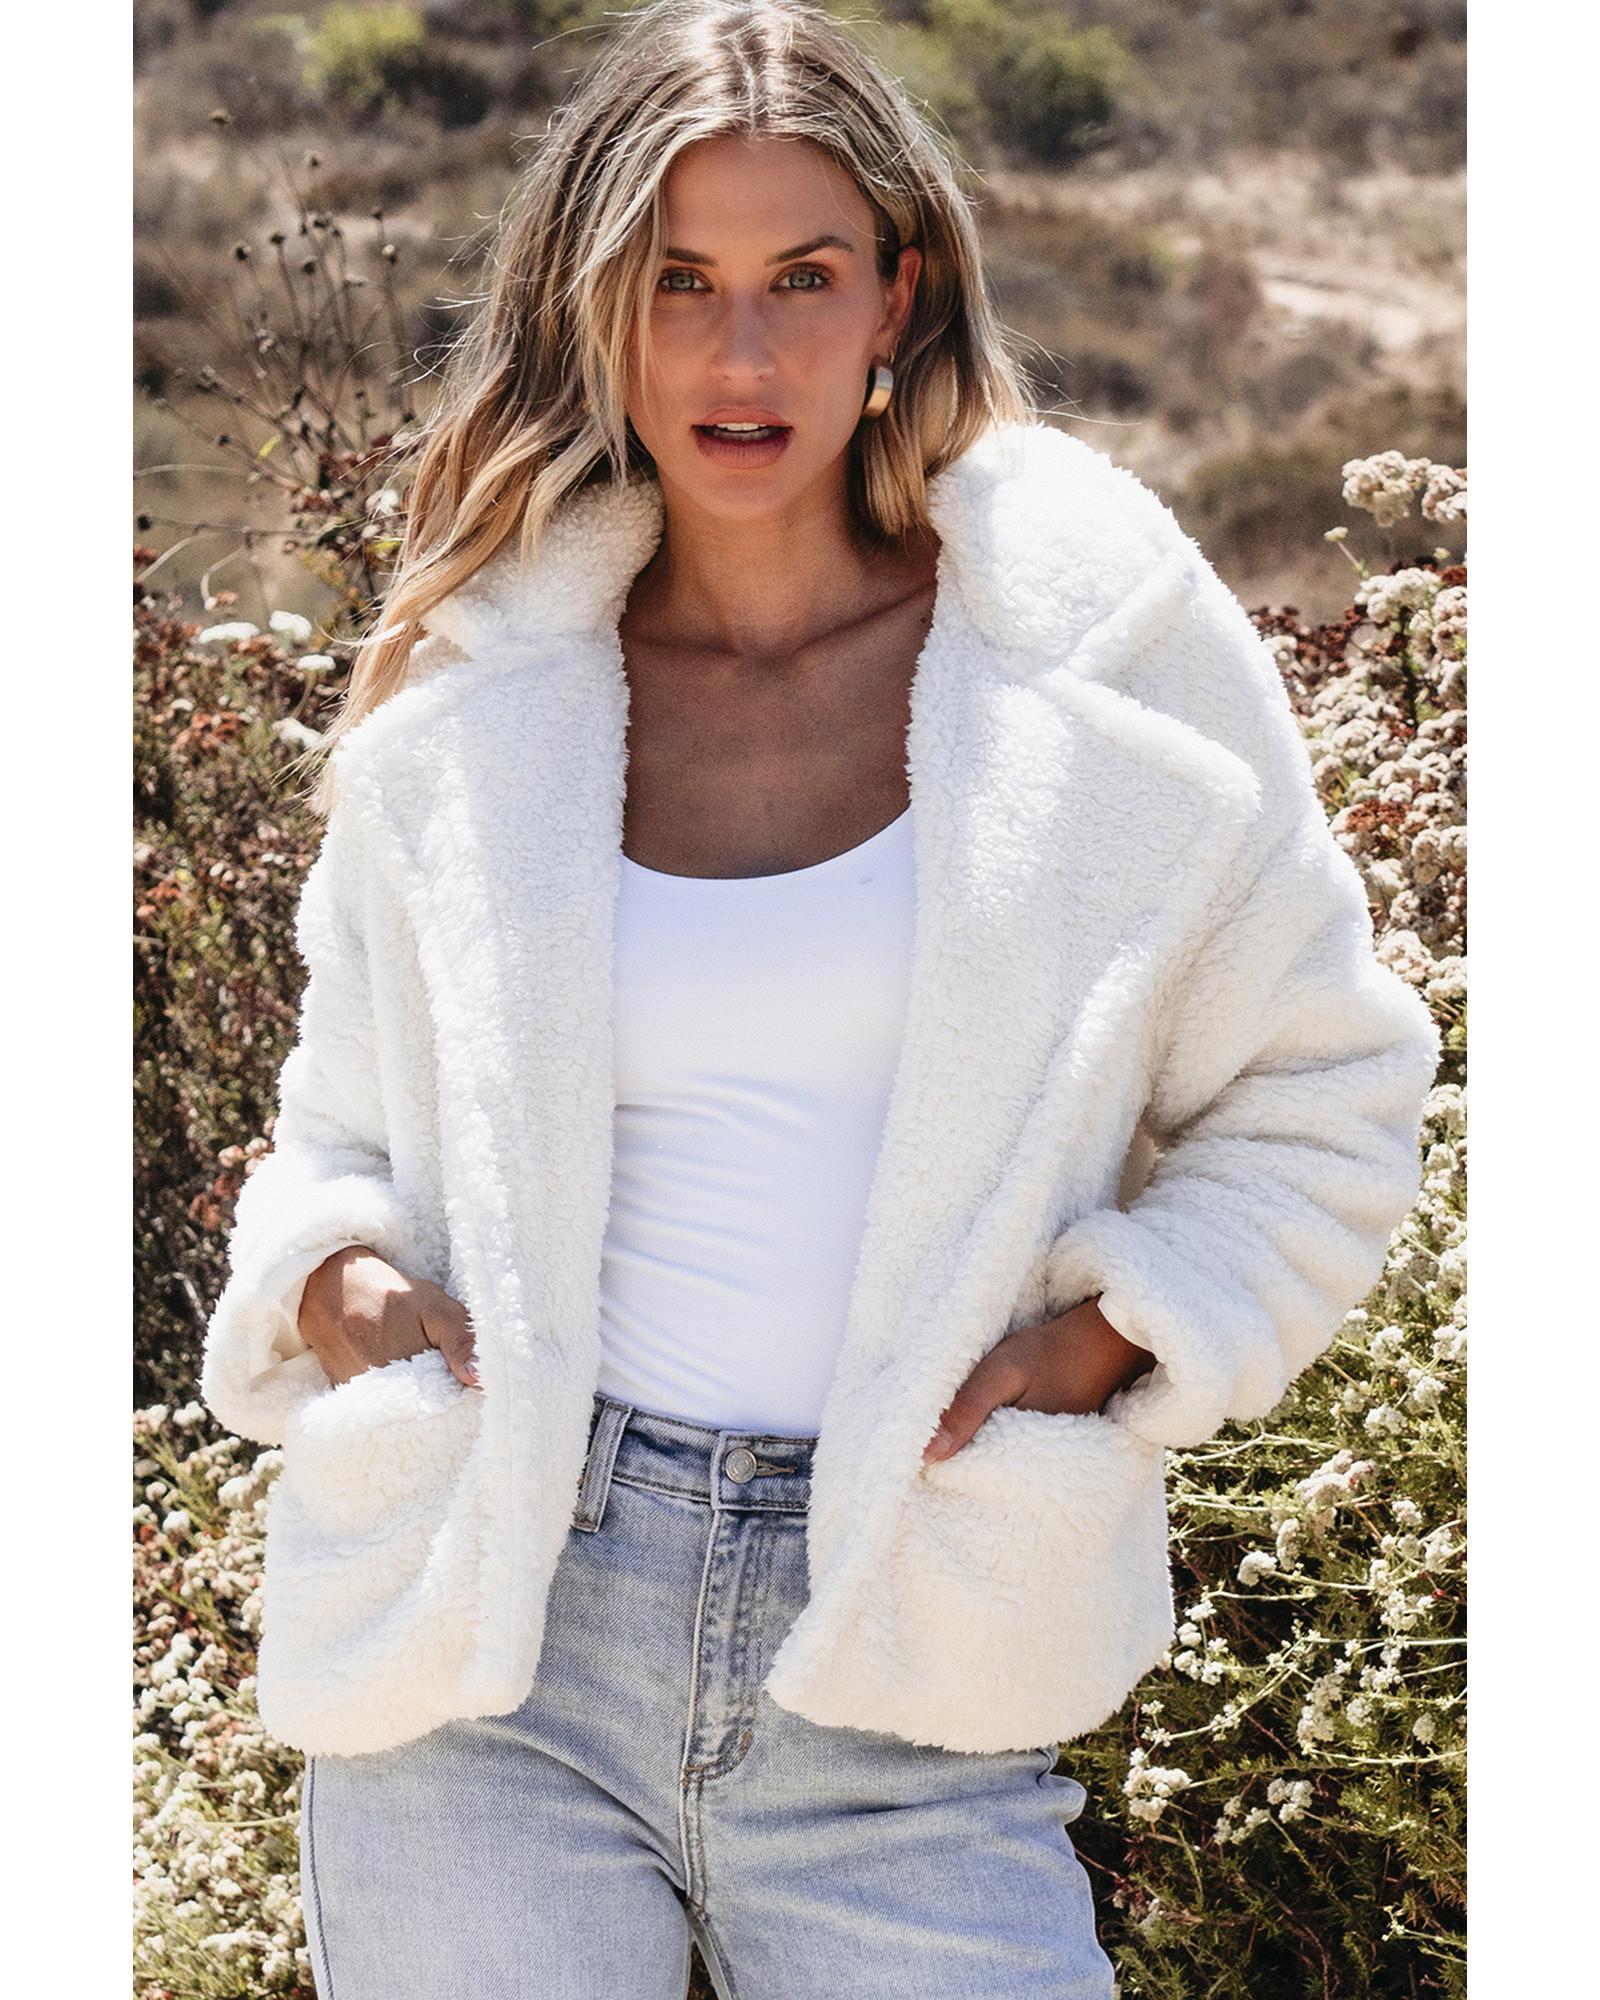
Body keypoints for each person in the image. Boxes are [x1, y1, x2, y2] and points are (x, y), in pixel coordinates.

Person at [197, 2, 1442, 1993]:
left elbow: (1327, 1095)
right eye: (678, 282)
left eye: (800, 277)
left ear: (898, 294)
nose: (741, 355)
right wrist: (343, 1289)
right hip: (492, 1636)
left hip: (910, 1650)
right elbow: (340, 1123)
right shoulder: (483, 677)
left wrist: (1110, 1340)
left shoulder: (1103, 662)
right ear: (599, 306)